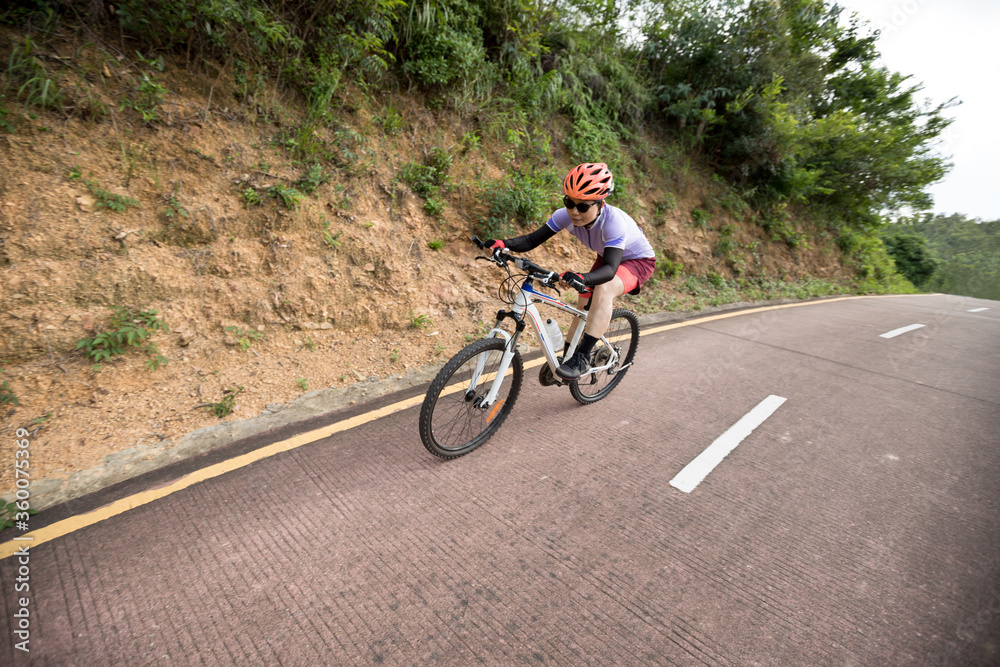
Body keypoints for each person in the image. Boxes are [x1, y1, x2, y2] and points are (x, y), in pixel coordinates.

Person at [484, 163, 656, 380]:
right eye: (569, 203)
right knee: (583, 307)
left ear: (600, 204)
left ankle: (582, 357)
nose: (574, 211)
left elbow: (611, 270)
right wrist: (503, 244)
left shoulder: (614, 223)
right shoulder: (565, 215)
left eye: (583, 207)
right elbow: (531, 240)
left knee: (603, 288)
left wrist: (583, 277)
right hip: (606, 256)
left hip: (637, 261)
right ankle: (568, 357)